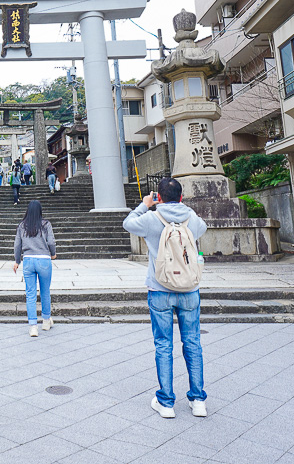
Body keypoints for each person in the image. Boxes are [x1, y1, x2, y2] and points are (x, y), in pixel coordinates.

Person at [122, 177, 208, 420]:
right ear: (181, 197)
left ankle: (167, 402)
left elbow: (127, 223)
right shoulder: (191, 218)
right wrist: (184, 208)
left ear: (158, 197)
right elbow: (202, 227)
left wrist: (145, 204)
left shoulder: (151, 218)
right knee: (192, 342)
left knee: (163, 344)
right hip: (189, 290)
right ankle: (198, 400)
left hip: (159, 288)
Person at [13, 200, 56, 337]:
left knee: (30, 294)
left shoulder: (22, 225)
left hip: (28, 260)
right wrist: (53, 253)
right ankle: (46, 321)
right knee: (45, 291)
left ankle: (33, 327)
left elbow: (17, 245)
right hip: (44, 259)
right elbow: (51, 241)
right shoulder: (46, 224)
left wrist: (17, 261)